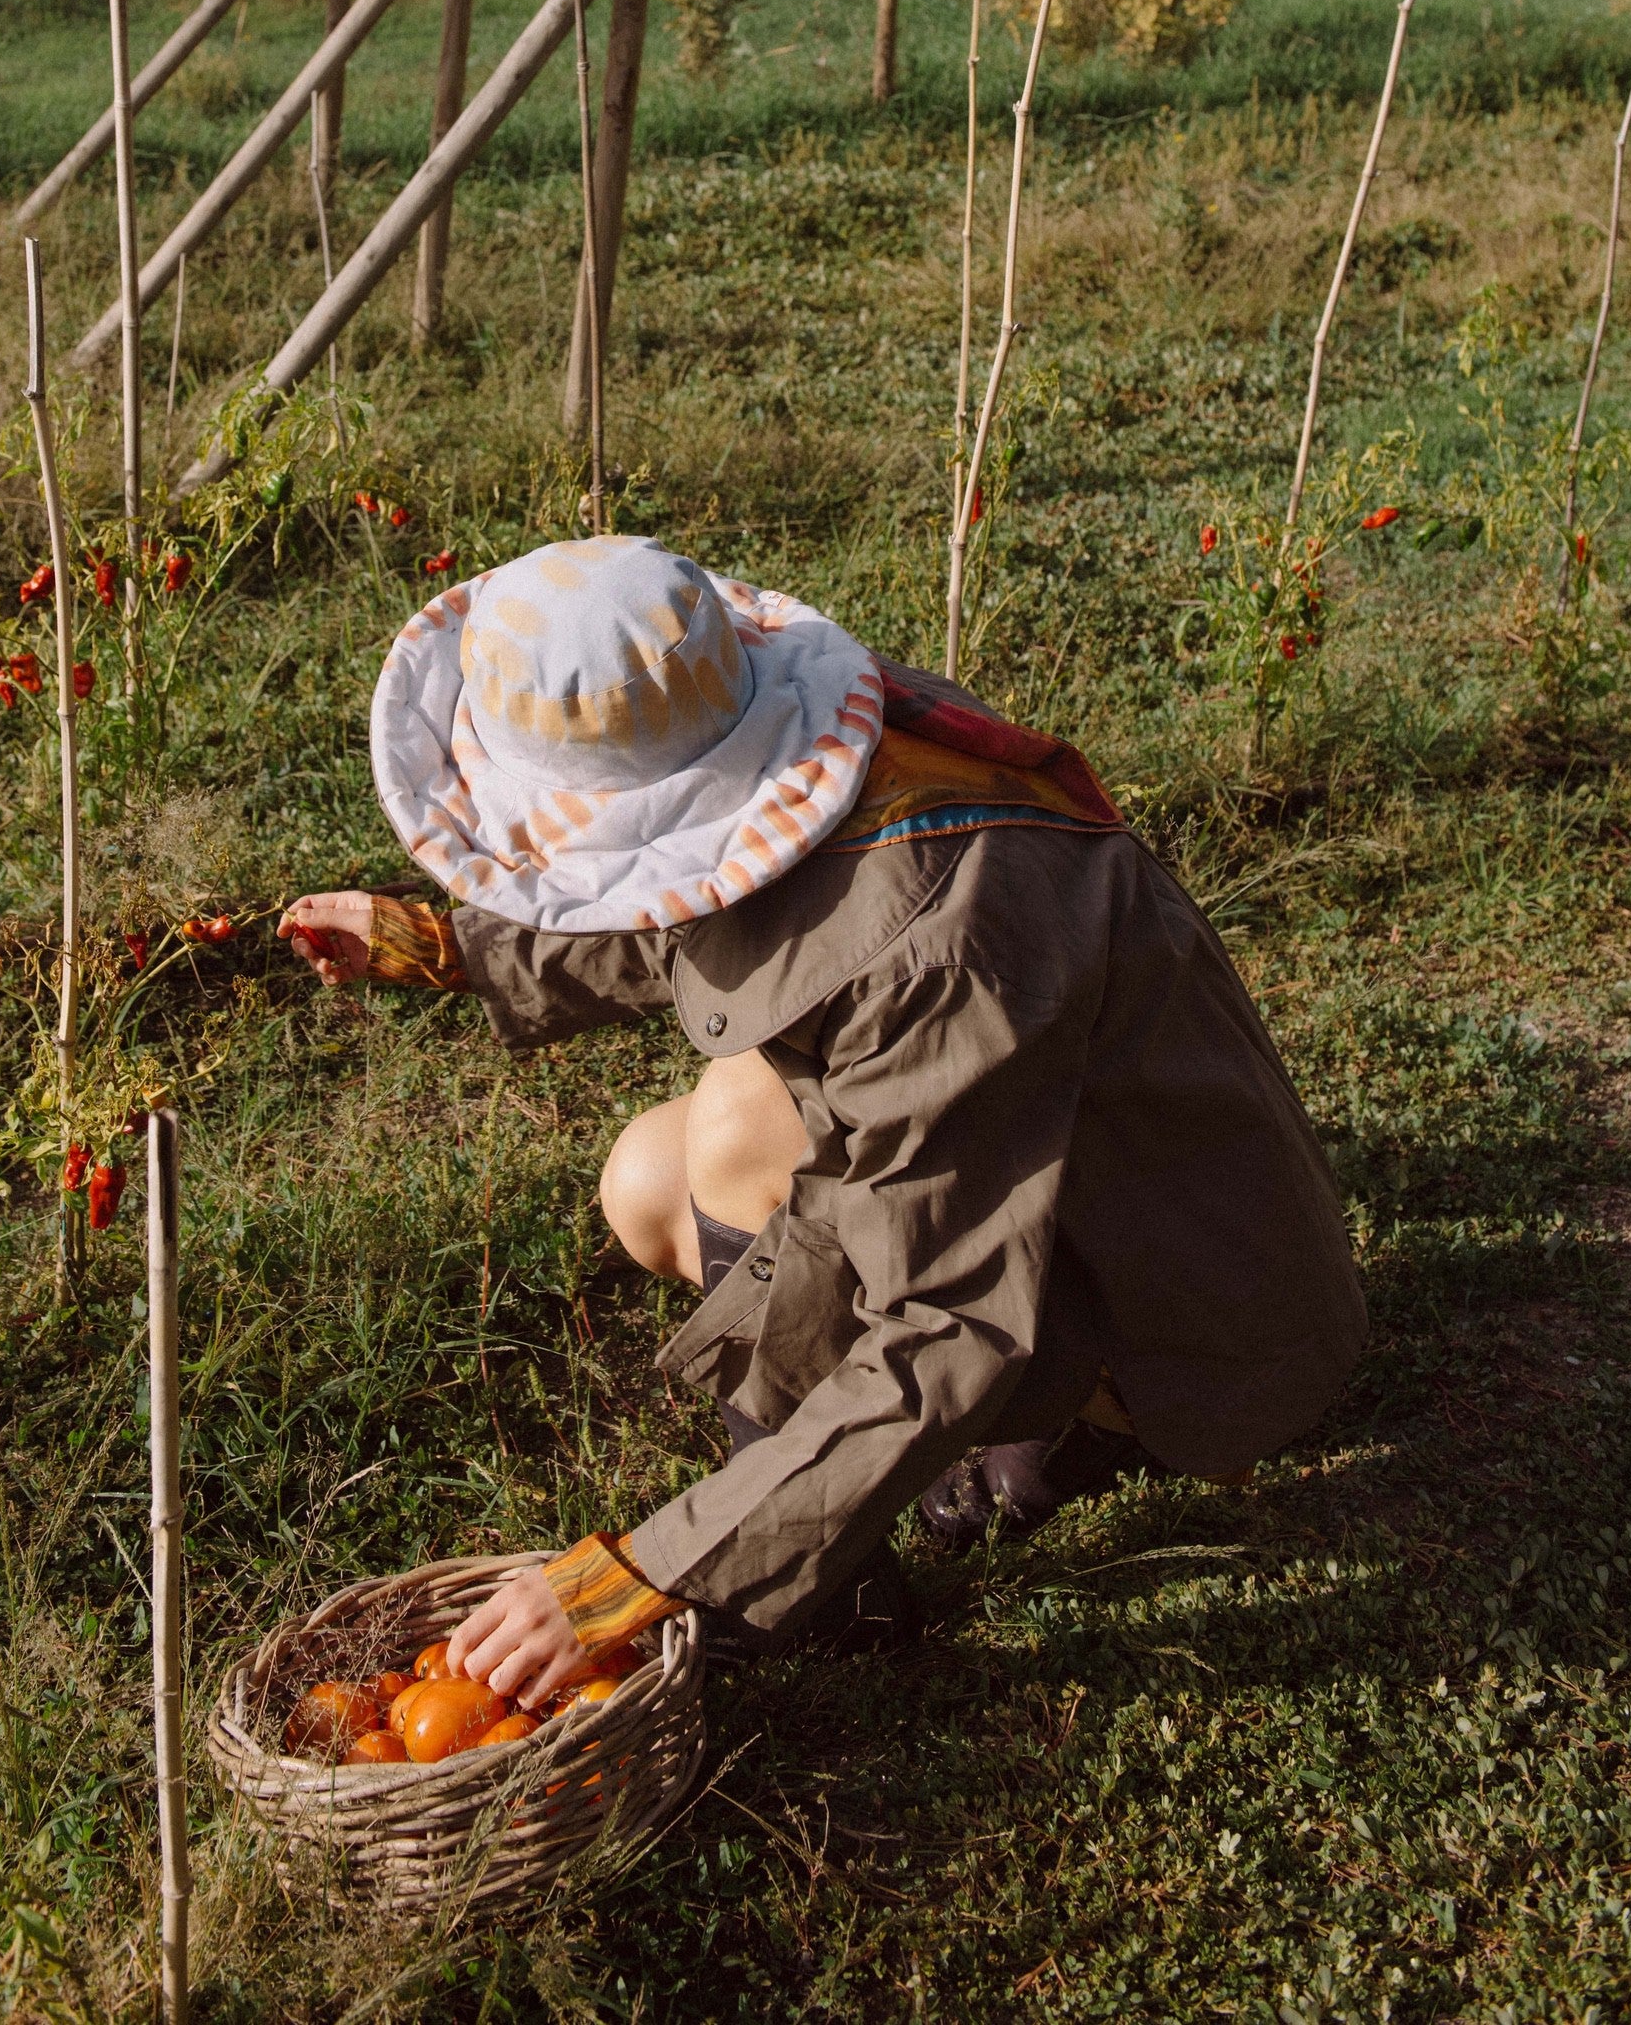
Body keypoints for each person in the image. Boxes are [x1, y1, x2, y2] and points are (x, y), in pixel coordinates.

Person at [280, 536, 1365, 1713]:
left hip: (1188, 1309)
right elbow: (705, 884)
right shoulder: (813, 742)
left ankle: (998, 1470)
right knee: (652, 1175)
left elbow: (946, 1321)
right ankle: (903, 1471)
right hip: (1052, 1169)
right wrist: (455, 950)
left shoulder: (937, 932)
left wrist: (651, 1573)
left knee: (736, 1136)